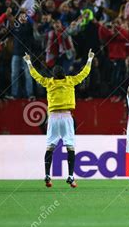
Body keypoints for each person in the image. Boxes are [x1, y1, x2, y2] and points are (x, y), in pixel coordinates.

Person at [23, 49, 95, 188]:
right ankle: (70, 176)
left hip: (53, 117)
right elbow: (84, 73)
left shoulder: (49, 82)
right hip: (67, 116)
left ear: (54, 75)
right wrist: (89, 59)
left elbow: (35, 75)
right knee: (70, 147)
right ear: (64, 74)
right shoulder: (71, 80)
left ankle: (47, 175)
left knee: (50, 147)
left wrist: (28, 61)